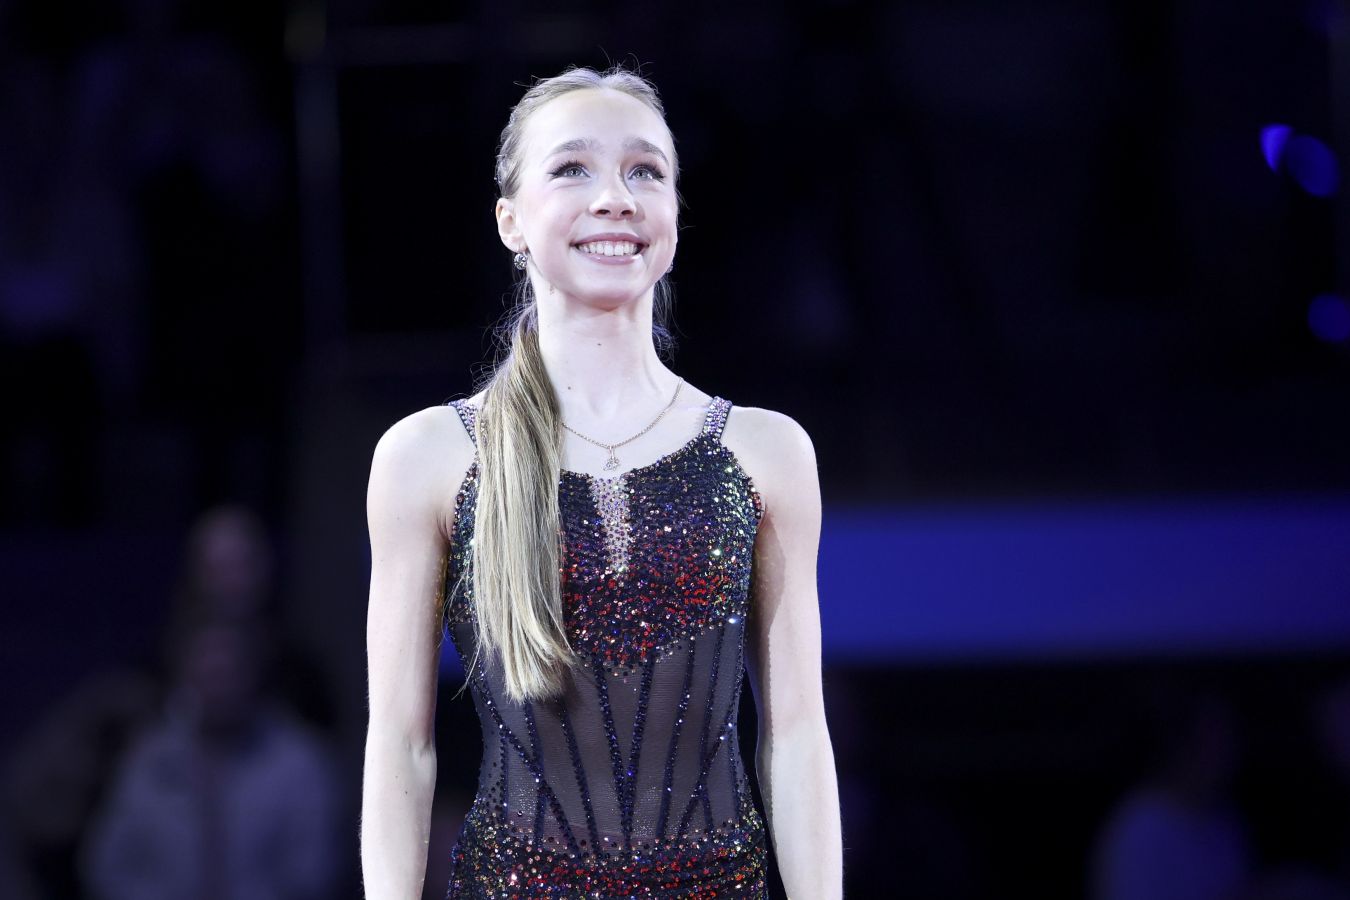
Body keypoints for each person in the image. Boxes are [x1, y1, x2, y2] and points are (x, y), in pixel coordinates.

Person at [360, 65, 842, 898]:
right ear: (511, 221)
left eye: (644, 171)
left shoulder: (767, 452)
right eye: (573, 168)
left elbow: (797, 735)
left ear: (675, 221)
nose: (615, 197)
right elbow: (402, 744)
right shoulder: (432, 456)